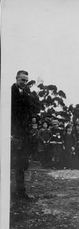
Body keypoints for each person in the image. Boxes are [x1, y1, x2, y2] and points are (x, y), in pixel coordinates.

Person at [11, 70, 32, 200]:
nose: (24, 83)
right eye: (22, 80)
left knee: (20, 165)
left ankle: (20, 192)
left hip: (22, 135)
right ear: (16, 79)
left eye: (26, 80)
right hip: (11, 134)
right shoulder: (8, 92)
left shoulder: (25, 94)